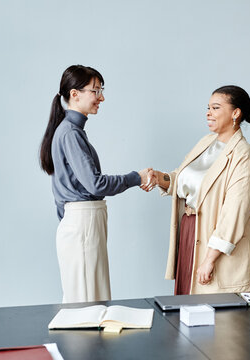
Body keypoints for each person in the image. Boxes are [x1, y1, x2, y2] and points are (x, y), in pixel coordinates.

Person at [39, 64, 154, 303]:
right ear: (74, 94)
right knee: (87, 302)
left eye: (101, 90)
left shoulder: (71, 131)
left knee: (87, 298)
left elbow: (63, 189)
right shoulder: (70, 132)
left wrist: (69, 218)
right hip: (83, 221)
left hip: (81, 221)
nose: (101, 97)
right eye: (95, 91)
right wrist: (137, 177)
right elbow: (95, 185)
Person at [154, 85, 250, 295]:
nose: (208, 113)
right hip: (190, 230)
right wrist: (160, 178)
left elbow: (235, 213)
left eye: (215, 108)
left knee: (216, 318)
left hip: (217, 242)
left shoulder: (243, 155)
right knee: (186, 307)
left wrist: (210, 258)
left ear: (235, 113)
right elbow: (182, 179)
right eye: (208, 108)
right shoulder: (206, 142)